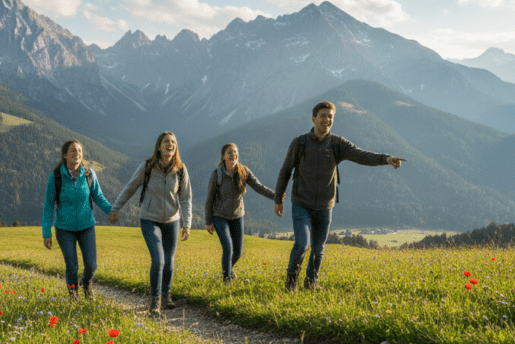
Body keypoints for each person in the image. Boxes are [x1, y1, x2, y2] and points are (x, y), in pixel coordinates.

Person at [274, 101, 406, 291]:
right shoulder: (300, 143)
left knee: (318, 249)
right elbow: (285, 171)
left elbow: (362, 155)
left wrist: (386, 159)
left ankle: (311, 284)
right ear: (313, 119)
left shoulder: (337, 144)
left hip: (325, 206)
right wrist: (278, 199)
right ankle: (290, 283)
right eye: (323, 116)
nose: (327, 120)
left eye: (330, 117)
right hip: (301, 203)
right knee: (302, 244)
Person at [108, 132, 192, 316]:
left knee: (169, 261)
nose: (170, 145)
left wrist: (187, 223)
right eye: (166, 142)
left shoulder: (181, 169)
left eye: (173, 142)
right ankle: (155, 301)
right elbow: (130, 187)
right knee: (158, 260)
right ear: (159, 146)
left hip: (172, 220)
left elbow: (185, 198)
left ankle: (166, 295)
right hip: (150, 219)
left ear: (175, 147)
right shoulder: (147, 167)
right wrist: (115, 208)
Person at [41, 140, 113, 299]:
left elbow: (98, 197)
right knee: (72, 266)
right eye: (73, 151)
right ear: (65, 155)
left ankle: (87, 282)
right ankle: (73, 296)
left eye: (80, 151)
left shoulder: (88, 174)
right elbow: (48, 206)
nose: (77, 154)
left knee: (92, 265)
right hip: (64, 229)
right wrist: (46, 233)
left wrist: (111, 211)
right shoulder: (56, 177)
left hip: (86, 226)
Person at [205, 143, 275, 283]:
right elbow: (209, 199)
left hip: (238, 216)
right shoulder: (216, 175)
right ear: (223, 157)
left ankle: (228, 270)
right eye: (229, 153)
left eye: (235, 152)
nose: (233, 155)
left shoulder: (244, 171)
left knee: (238, 252)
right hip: (220, 216)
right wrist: (208, 221)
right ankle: (227, 280)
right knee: (228, 248)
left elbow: (259, 187)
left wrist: (276, 196)